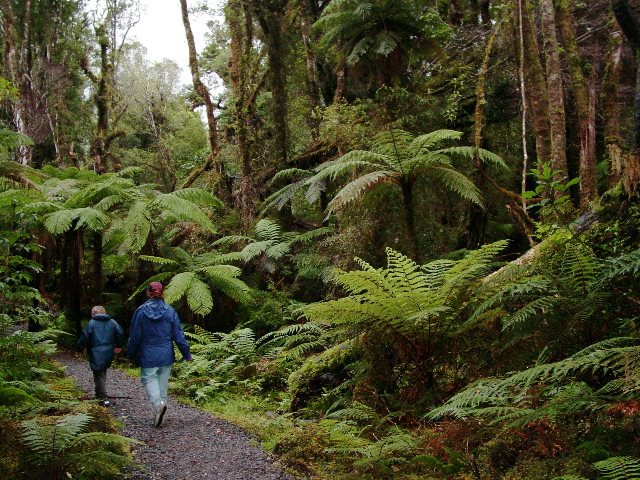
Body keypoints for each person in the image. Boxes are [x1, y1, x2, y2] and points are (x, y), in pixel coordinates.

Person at [128, 281, 192, 427]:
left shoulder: (141, 311)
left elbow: (135, 335)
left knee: (149, 379)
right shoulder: (170, 311)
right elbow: (178, 334)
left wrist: (131, 354)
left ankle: (158, 405)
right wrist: (186, 353)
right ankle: (161, 409)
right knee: (162, 384)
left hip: (148, 353)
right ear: (163, 292)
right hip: (166, 353)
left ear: (148, 293)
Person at [76, 306, 125, 407]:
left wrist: (79, 349)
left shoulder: (92, 323)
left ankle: (102, 398)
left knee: (98, 374)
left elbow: (84, 337)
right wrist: (119, 346)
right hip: (108, 351)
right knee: (102, 372)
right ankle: (99, 395)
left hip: (96, 351)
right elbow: (120, 333)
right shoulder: (112, 322)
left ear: (93, 313)